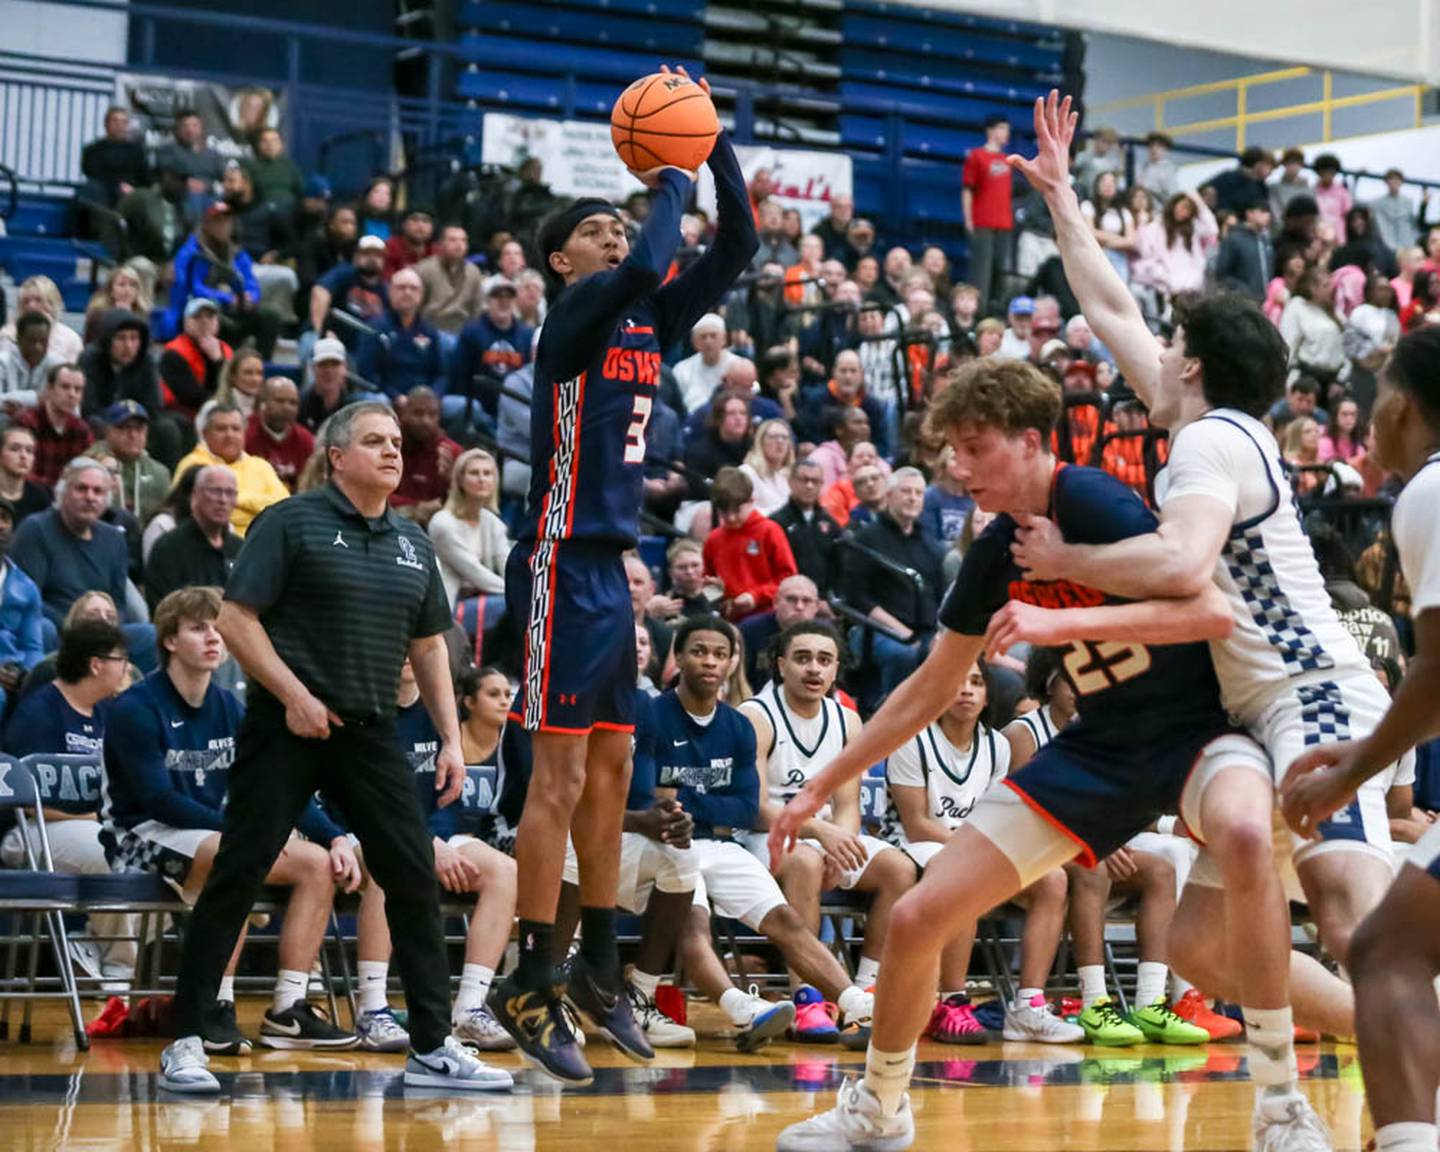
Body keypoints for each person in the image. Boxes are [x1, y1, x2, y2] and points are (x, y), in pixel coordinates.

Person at [770, 352, 1306, 1150]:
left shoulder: (1086, 498)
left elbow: (1208, 609)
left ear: (1028, 441)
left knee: (1246, 833)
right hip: (1095, 750)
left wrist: (1062, 619)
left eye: (974, 445)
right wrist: (824, 782)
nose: (958, 464)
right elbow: (928, 686)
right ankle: (880, 1106)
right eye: (950, 447)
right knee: (918, 916)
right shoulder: (995, 550)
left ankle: (1280, 1108)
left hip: (1194, 729)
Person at [1011, 86, 1397, 1095]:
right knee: (1201, 946)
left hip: (1309, 688)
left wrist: (1068, 563)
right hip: (1257, 705)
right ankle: (1394, 1035)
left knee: (1351, 911)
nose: (1157, 340)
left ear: (1192, 362)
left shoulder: (1210, 444)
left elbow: (1183, 569)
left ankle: (1408, 1038)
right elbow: (1109, 308)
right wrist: (1063, 201)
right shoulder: (1210, 421)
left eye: (1172, 335)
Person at [490, 78, 758, 1086]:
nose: (619, 237)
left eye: (618, 222)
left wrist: (715, 144)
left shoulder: (648, 314)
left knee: (610, 778)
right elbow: (655, 248)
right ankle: (529, 975)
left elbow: (732, 250)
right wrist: (668, 170)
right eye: (595, 228)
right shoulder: (574, 317)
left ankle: (599, 965)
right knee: (557, 780)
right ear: (565, 259)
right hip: (557, 562)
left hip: (611, 571)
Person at [157, 404, 507, 1093]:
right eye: (375, 441)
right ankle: (188, 1038)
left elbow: (429, 645)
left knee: (409, 873)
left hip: (371, 731)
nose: (392, 452)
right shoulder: (290, 521)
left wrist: (448, 738)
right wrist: (292, 694)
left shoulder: (412, 542)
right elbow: (236, 617)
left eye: (398, 444)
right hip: (283, 729)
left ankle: (433, 1044)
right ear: (338, 456)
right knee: (239, 872)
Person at [1281, 327, 1440, 1152]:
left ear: (1405, 407)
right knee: (1389, 945)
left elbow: (1438, 677)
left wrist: (1354, 770)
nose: (1369, 419)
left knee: (1384, 949)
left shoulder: (1429, 492)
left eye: (1376, 399)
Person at [106, 587, 357, 1061]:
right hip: (138, 833)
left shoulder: (230, 707)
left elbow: (278, 783)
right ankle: (212, 1004)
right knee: (233, 854)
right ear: (169, 640)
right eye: (198, 627)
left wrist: (335, 834)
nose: (212, 638)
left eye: (216, 627)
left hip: (216, 832)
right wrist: (245, 831)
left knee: (316, 864)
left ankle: (289, 1007)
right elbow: (155, 799)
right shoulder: (135, 708)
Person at [654, 618, 876, 1044]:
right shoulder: (654, 715)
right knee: (695, 921)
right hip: (665, 842)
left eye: (720, 654)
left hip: (721, 840)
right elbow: (654, 798)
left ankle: (856, 1001)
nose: (710, 662)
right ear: (678, 658)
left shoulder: (733, 725)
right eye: (699, 652)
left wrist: (691, 799)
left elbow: (741, 805)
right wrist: (694, 802)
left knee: (786, 920)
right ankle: (742, 1008)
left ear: (732, 662)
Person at [1003, 646, 1211, 1046]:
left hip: (1082, 849)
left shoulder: (1102, 733)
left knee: (1160, 870)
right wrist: (1094, 838)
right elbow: (1023, 811)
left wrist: (1171, 825)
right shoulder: (1023, 732)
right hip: (1030, 850)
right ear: (1050, 681)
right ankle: (1095, 1001)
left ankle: (1150, 1003)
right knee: (1093, 864)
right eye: (1076, 678)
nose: (1087, 688)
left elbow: (1125, 806)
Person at [879, 656, 1080, 1045]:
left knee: (1052, 879)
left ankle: (1028, 1006)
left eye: (976, 682)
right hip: (913, 846)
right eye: (957, 680)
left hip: (971, 845)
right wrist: (977, 849)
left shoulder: (996, 746)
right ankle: (953, 1002)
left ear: (988, 696)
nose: (966, 689)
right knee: (965, 873)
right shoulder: (912, 740)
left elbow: (1000, 816)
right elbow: (917, 821)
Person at [739, 622, 916, 1025]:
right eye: (802, 659)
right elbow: (756, 806)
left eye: (824, 660)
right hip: (766, 837)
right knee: (805, 861)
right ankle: (808, 997)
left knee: (899, 869)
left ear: (836, 669)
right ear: (780, 665)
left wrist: (843, 845)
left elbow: (848, 803)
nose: (813, 669)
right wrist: (821, 834)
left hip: (825, 835)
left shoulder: (847, 721)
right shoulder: (757, 715)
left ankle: (867, 991)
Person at [351, 663, 519, 1055]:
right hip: (365, 832)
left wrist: (433, 840)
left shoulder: (439, 718)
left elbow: (449, 793)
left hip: (434, 835)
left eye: (416, 647)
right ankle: (372, 1008)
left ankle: (470, 1007)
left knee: (503, 870)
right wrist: (423, 843)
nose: (409, 655)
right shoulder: (362, 710)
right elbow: (362, 798)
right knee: (388, 860)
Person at [3, 617, 135, 980]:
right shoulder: (39, 712)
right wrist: (91, 819)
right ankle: (119, 971)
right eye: (122, 659)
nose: (127, 668)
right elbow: (26, 801)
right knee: (108, 852)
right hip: (33, 831)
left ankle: (91, 942)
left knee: (157, 863)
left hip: (92, 827)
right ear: (97, 665)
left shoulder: (111, 712)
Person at [841, 468, 945, 702]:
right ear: (889, 496)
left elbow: (939, 598)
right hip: (877, 630)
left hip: (926, 630)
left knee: (952, 655)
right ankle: (891, 719)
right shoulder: (866, 538)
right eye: (906, 491)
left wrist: (939, 635)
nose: (912, 497)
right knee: (905, 653)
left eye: (918, 493)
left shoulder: (931, 545)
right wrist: (902, 632)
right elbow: (856, 597)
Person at [167, 203, 280, 358]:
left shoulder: (237, 253)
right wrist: (227, 298)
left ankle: (261, 364)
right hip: (198, 311)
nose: (224, 226)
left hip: (235, 310)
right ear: (206, 224)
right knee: (214, 320)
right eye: (218, 221)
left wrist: (250, 297)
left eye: (227, 221)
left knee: (270, 314)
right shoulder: (191, 253)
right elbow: (193, 287)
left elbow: (251, 282)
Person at [174, 402, 289, 536]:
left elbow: (284, 507)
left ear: (244, 433)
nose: (229, 434)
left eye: (235, 429)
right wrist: (257, 511)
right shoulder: (192, 465)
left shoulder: (261, 466)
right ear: (205, 434)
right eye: (221, 429)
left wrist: (236, 501)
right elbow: (192, 513)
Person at [703, 468, 798, 622]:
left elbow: (788, 578)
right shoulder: (714, 539)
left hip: (768, 614)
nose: (731, 517)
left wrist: (756, 596)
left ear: (751, 502)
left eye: (737, 510)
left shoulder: (769, 531)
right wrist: (718, 594)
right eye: (724, 512)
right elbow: (708, 583)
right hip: (729, 619)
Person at [143, 465, 241, 613]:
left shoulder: (240, 548)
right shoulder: (169, 548)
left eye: (230, 493)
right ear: (195, 495)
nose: (223, 500)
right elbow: (163, 610)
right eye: (215, 491)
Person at [427, 447, 510, 612]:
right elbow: (475, 573)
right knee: (510, 606)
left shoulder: (493, 523)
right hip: (450, 607)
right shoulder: (442, 523)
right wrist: (517, 592)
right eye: (474, 473)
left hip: (485, 598)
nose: (481, 479)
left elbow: (507, 566)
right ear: (459, 480)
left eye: (487, 473)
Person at [449, 275, 533, 424]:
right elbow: (459, 376)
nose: (503, 301)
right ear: (486, 301)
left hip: (515, 409)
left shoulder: (526, 335)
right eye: (497, 296)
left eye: (509, 297)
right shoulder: (472, 332)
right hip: (480, 411)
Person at [356, 267, 445, 401]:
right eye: (401, 288)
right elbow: (367, 373)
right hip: (387, 398)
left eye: (413, 288)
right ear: (390, 292)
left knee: (467, 407)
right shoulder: (374, 328)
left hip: (425, 401)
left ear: (421, 295)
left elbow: (442, 374)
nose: (407, 292)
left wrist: (433, 396)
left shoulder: (430, 331)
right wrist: (395, 396)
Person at [0, 497, 45, 715]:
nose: (0, 525)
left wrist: (25, 674)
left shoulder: (26, 587)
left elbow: (33, 647)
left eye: (5, 519)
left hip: (11, 673)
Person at [389, 388, 460, 521]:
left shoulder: (452, 451)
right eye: (418, 413)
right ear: (403, 414)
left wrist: (451, 481)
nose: (425, 421)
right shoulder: (388, 446)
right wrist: (416, 507)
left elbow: (467, 503)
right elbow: (370, 493)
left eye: (432, 415)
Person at [771, 458, 840, 595]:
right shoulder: (775, 523)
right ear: (790, 482)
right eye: (804, 480)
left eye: (815, 481)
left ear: (821, 485)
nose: (809, 486)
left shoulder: (831, 525)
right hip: (788, 599)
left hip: (824, 602)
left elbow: (839, 568)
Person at [309, 235, 390, 352]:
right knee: (313, 345)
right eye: (366, 253)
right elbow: (320, 292)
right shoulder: (344, 273)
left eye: (377, 255)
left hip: (364, 346)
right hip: (333, 336)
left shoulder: (386, 289)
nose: (372, 258)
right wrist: (321, 333)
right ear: (356, 256)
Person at [79, 309, 162, 421]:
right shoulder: (90, 359)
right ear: (108, 340)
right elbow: (88, 408)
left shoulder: (146, 361)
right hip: (102, 425)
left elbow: (153, 407)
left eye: (134, 338)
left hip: (137, 424)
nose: (128, 346)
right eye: (121, 338)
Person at [159, 297, 231, 425]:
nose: (204, 322)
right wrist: (217, 363)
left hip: (220, 413)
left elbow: (232, 388)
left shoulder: (225, 350)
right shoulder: (173, 354)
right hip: (184, 416)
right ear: (186, 322)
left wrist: (218, 360)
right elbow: (192, 398)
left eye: (210, 317)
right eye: (197, 317)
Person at [103, 400, 171, 524]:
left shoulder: (161, 474)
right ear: (107, 432)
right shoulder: (94, 468)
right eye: (124, 427)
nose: (133, 435)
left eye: (139, 428)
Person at [244, 377, 314, 492]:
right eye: (279, 400)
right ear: (263, 403)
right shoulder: (245, 433)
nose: (287, 407)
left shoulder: (305, 439)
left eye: (293, 402)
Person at [417, 224, 484, 336]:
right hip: (431, 329)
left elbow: (476, 310)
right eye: (453, 240)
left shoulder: (474, 272)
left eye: (463, 240)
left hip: (463, 331)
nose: (459, 245)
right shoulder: (424, 269)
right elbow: (416, 308)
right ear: (440, 244)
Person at [80, 106, 148, 206]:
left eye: (123, 122)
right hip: (102, 193)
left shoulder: (137, 151)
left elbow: (144, 177)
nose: (119, 126)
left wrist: (134, 190)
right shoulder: (93, 150)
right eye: (115, 121)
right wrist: (118, 185)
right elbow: (93, 174)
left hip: (130, 194)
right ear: (106, 124)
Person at [673, 313, 738, 414]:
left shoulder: (738, 365)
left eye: (713, 336)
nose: (708, 341)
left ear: (724, 338)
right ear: (694, 342)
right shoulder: (681, 370)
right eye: (703, 337)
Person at [1213, 196, 1275, 302]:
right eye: (1262, 211)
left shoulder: (1266, 240)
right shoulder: (1233, 239)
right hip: (1244, 301)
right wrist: (1243, 290)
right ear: (1249, 214)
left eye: (1268, 212)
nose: (1267, 216)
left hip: (1267, 301)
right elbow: (1222, 274)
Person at [0, 311, 56, 407]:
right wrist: (35, 398)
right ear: (19, 339)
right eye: (32, 341)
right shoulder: (3, 362)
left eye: (43, 341)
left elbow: (70, 406)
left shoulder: (57, 365)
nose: (38, 347)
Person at [739, 418, 795, 515]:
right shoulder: (746, 473)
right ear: (761, 441)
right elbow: (744, 512)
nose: (780, 441)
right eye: (773, 436)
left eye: (785, 437)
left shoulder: (789, 475)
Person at [299, 338, 355, 432]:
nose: (329, 371)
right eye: (323, 364)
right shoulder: (300, 405)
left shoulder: (354, 409)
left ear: (344, 368)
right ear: (313, 368)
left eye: (335, 364)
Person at [243, 127, 303, 210]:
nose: (270, 145)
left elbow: (301, 192)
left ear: (281, 145)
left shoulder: (290, 166)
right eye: (265, 141)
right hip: (260, 210)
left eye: (274, 141)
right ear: (258, 145)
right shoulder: (250, 166)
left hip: (288, 211)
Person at [382, 208, 436, 281]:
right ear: (403, 225)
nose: (420, 225)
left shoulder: (438, 253)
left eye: (425, 221)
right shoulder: (390, 247)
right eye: (414, 220)